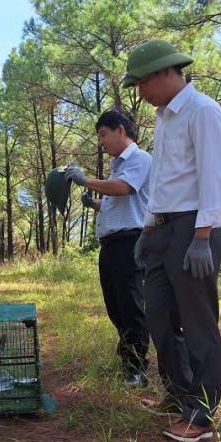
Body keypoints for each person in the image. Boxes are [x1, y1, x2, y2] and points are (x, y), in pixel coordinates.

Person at [122, 39, 221, 442]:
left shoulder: (203, 111)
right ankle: (179, 395)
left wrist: (203, 235)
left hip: (192, 228)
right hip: (163, 229)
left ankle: (201, 417)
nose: (140, 93)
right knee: (159, 317)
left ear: (166, 71)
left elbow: (212, 176)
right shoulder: (164, 119)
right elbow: (164, 179)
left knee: (198, 322)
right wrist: (148, 229)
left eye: (143, 83)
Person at [63, 108, 152, 387]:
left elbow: (124, 189)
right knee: (115, 305)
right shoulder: (118, 166)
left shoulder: (139, 158)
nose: (101, 142)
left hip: (131, 242)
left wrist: (85, 180)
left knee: (131, 305)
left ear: (120, 130)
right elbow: (117, 201)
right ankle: (127, 359)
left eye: (103, 134)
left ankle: (137, 368)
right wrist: (95, 203)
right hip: (111, 245)